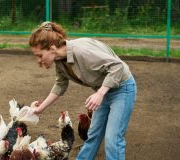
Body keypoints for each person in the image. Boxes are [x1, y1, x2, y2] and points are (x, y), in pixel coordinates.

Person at [29, 21, 137, 160]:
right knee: (93, 135)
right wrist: (40, 109)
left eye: (39, 55)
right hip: (104, 90)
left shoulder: (81, 51)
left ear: (52, 49)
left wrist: (100, 93)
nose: (38, 61)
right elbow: (60, 85)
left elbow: (117, 66)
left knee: (113, 140)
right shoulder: (60, 61)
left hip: (122, 89)